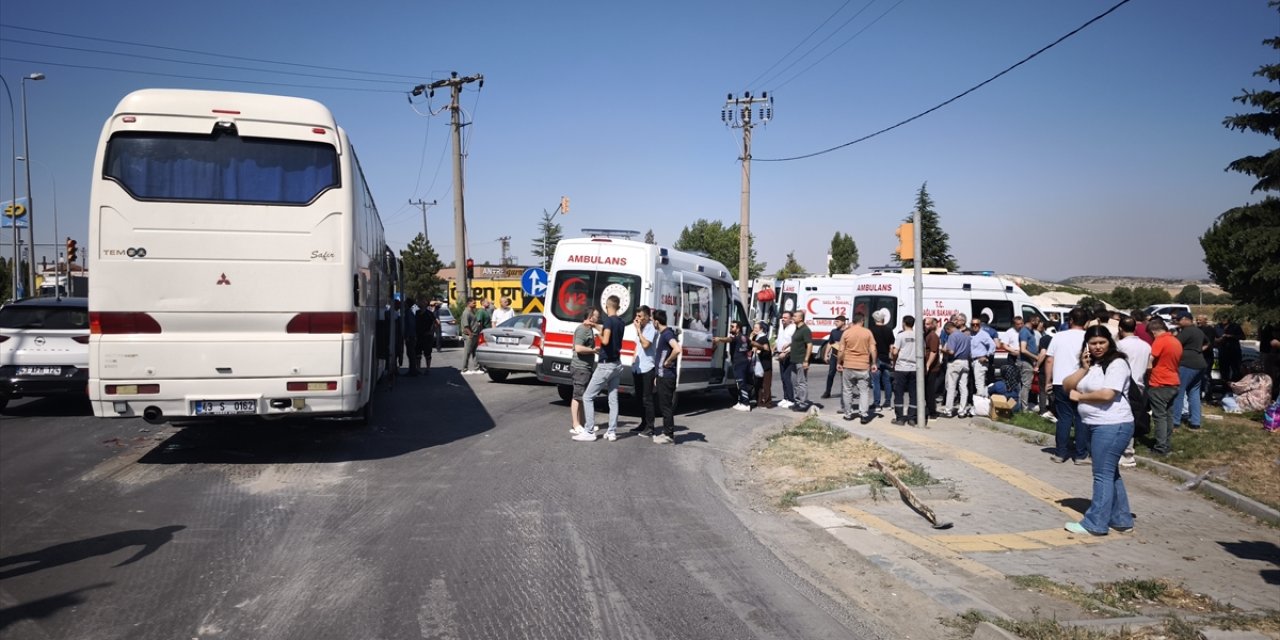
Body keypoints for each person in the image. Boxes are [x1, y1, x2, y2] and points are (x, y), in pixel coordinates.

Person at [1063, 325, 1135, 536]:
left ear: (1109, 342)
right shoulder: (1091, 365)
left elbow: (1108, 394)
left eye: (1102, 342)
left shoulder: (1117, 363)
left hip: (1113, 424)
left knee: (1102, 474)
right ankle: (1121, 519)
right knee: (1110, 473)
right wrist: (1083, 369)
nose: (1097, 347)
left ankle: (1095, 523)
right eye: (1093, 343)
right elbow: (1068, 386)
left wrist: (1081, 398)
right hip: (1097, 424)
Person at [575, 297, 625, 442]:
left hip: (605, 365)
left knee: (588, 396)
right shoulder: (620, 322)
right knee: (613, 399)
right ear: (618, 306)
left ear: (606, 306)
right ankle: (611, 432)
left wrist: (598, 334)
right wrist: (595, 324)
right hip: (617, 363)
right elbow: (608, 330)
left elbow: (606, 340)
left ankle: (589, 431)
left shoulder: (609, 321)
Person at [1045, 307, 1090, 464]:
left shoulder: (1058, 337)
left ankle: (1060, 453)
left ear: (1070, 320)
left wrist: (1048, 381)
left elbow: (1049, 359)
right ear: (1087, 322)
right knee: (1080, 418)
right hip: (1082, 382)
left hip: (1060, 381)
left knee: (1063, 417)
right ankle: (1080, 454)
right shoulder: (1089, 338)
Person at [1115, 316, 1151, 467]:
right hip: (1140, 384)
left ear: (1120, 329)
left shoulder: (1119, 345)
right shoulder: (1146, 346)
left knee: (1124, 417)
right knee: (1133, 415)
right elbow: (1149, 367)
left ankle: (1127, 452)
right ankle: (1129, 446)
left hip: (1124, 384)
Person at [1146, 318, 1182, 456]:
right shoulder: (1175, 341)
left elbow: (1150, 361)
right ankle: (1166, 443)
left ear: (1154, 331)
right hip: (1173, 381)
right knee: (1168, 415)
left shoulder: (1160, 341)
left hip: (1160, 383)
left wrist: (1145, 372)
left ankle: (1160, 447)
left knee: (1159, 416)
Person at [838, 312, 876, 424]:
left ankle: (848, 414)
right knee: (864, 391)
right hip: (863, 366)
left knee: (847, 390)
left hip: (848, 365)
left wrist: (839, 362)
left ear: (853, 321)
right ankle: (863, 415)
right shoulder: (867, 332)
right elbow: (873, 349)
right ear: (862, 321)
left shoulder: (846, 333)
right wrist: (873, 363)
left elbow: (841, 350)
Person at [1172, 311, 1207, 430]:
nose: (1176, 321)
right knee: (1194, 392)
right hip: (1200, 363)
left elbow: (1175, 344)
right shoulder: (1199, 331)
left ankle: (1175, 420)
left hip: (1187, 364)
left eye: (1178, 319)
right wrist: (1198, 350)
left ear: (1187, 319)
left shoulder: (1187, 331)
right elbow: (1208, 342)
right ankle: (1195, 421)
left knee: (1179, 392)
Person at [569, 309, 601, 435]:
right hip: (580, 368)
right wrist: (593, 350)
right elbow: (578, 348)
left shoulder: (589, 329)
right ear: (590, 317)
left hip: (586, 368)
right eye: (596, 317)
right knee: (577, 396)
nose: (597, 319)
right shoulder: (582, 329)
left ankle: (583, 424)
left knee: (583, 397)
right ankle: (576, 424)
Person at [652, 310, 680, 444]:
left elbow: (677, 349)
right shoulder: (663, 334)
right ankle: (666, 432)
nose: (653, 323)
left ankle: (668, 435)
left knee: (666, 406)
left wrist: (668, 361)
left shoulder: (667, 334)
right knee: (664, 405)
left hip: (667, 376)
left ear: (656, 322)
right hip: (663, 376)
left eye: (653, 321)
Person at [630, 306, 659, 434]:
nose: (638, 319)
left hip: (648, 367)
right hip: (638, 367)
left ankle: (650, 426)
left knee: (647, 398)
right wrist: (633, 360)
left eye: (640, 316)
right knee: (639, 397)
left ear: (647, 317)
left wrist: (639, 331)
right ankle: (643, 422)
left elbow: (646, 345)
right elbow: (638, 346)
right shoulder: (640, 329)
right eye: (637, 316)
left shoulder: (651, 328)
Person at [714, 320, 753, 411]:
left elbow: (729, 339)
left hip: (739, 363)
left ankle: (746, 404)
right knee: (738, 384)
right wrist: (762, 347)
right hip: (741, 362)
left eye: (732, 327)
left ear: (738, 328)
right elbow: (752, 344)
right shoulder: (744, 337)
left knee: (741, 383)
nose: (731, 328)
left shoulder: (737, 337)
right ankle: (740, 401)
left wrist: (719, 339)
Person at [891, 315, 919, 425]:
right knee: (913, 393)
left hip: (901, 367)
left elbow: (894, 352)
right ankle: (912, 417)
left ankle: (900, 418)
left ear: (903, 323)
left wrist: (894, 362)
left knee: (899, 393)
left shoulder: (900, 336)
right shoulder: (918, 336)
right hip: (914, 368)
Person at [942, 321, 973, 418]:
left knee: (951, 387)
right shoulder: (966, 336)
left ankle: (948, 411)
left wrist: (942, 350)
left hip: (955, 362)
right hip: (965, 362)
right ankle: (962, 411)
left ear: (948, 329)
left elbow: (951, 351)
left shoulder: (952, 336)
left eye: (946, 332)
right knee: (963, 387)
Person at [789, 310, 814, 412]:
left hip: (801, 360)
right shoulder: (797, 328)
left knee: (801, 382)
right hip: (794, 360)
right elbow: (797, 342)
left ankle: (803, 403)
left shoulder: (805, 330)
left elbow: (809, 345)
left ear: (800, 318)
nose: (793, 318)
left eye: (795, 316)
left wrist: (806, 360)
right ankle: (797, 402)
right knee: (794, 382)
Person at [870, 309, 895, 410]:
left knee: (876, 382)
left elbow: (871, 346)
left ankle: (877, 404)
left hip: (875, 358)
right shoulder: (889, 330)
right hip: (886, 358)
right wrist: (892, 359)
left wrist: (872, 361)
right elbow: (891, 346)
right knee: (887, 381)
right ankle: (888, 403)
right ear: (883, 319)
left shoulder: (871, 330)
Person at [1018, 315, 1043, 413]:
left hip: (1030, 361)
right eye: (1038, 321)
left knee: (1026, 385)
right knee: (1026, 385)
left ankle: (1023, 406)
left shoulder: (1031, 331)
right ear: (1032, 321)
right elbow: (1023, 350)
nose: (1040, 323)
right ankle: (1024, 409)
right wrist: (1036, 357)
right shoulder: (1024, 332)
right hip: (1025, 362)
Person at [968, 317, 998, 397]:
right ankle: (982, 401)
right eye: (973, 324)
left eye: (977, 324)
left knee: (979, 383)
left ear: (980, 325)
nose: (975, 326)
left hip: (980, 361)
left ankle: (980, 402)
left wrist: (986, 355)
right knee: (979, 382)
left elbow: (993, 345)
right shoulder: (971, 334)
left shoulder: (983, 334)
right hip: (973, 360)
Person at [821, 315, 847, 400]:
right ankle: (827, 392)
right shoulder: (834, 331)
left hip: (844, 357)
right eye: (835, 321)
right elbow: (830, 343)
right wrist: (826, 354)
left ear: (843, 322)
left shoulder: (847, 332)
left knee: (844, 376)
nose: (835, 323)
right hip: (834, 356)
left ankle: (845, 393)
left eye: (837, 321)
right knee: (830, 374)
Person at [751, 321, 775, 409]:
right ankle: (759, 401)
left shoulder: (763, 338)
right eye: (754, 328)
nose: (754, 329)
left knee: (766, 384)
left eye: (756, 328)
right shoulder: (756, 337)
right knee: (758, 384)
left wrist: (759, 351)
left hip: (765, 366)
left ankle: (768, 402)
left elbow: (767, 351)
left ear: (761, 329)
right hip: (758, 365)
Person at [923, 317, 943, 421]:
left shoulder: (933, 336)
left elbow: (933, 352)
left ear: (932, 325)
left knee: (930, 391)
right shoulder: (925, 335)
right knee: (925, 390)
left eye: (927, 324)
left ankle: (932, 412)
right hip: (926, 367)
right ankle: (928, 409)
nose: (925, 326)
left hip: (932, 368)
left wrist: (927, 365)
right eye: (924, 324)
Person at [776, 311, 796, 408]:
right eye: (782, 317)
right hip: (780, 354)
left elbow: (795, 343)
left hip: (788, 355)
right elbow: (780, 338)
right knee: (783, 377)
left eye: (785, 317)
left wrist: (786, 352)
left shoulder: (793, 328)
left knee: (787, 377)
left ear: (791, 319)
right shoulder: (781, 326)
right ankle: (785, 397)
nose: (783, 319)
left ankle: (791, 399)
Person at [1215, 317, 1245, 385]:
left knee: (1236, 371)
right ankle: (1225, 387)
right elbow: (1213, 338)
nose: (1223, 320)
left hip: (1234, 351)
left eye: (1225, 318)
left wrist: (1230, 336)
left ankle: (1235, 386)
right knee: (1224, 371)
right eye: (1222, 318)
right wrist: (1218, 340)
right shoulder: (1217, 326)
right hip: (1223, 352)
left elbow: (1243, 337)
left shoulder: (1235, 326)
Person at [461, 298, 484, 375]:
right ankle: (464, 369)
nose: (475, 304)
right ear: (468, 303)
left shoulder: (472, 312)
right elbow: (466, 325)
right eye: (473, 303)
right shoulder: (466, 313)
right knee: (467, 352)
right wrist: (470, 334)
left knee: (475, 352)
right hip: (469, 336)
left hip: (475, 335)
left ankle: (476, 368)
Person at [415, 298, 439, 373]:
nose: (420, 304)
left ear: (425, 304)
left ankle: (428, 368)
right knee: (417, 353)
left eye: (422, 302)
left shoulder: (429, 313)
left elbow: (437, 323)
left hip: (427, 337)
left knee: (427, 353)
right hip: (418, 336)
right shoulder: (416, 313)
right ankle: (418, 368)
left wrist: (432, 331)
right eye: (420, 302)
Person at [403, 297, 419, 376]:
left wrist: (408, 335)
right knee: (410, 353)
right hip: (410, 335)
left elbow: (411, 325)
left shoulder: (408, 313)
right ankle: (412, 370)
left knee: (411, 353)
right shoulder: (408, 312)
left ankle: (413, 371)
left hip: (410, 336)